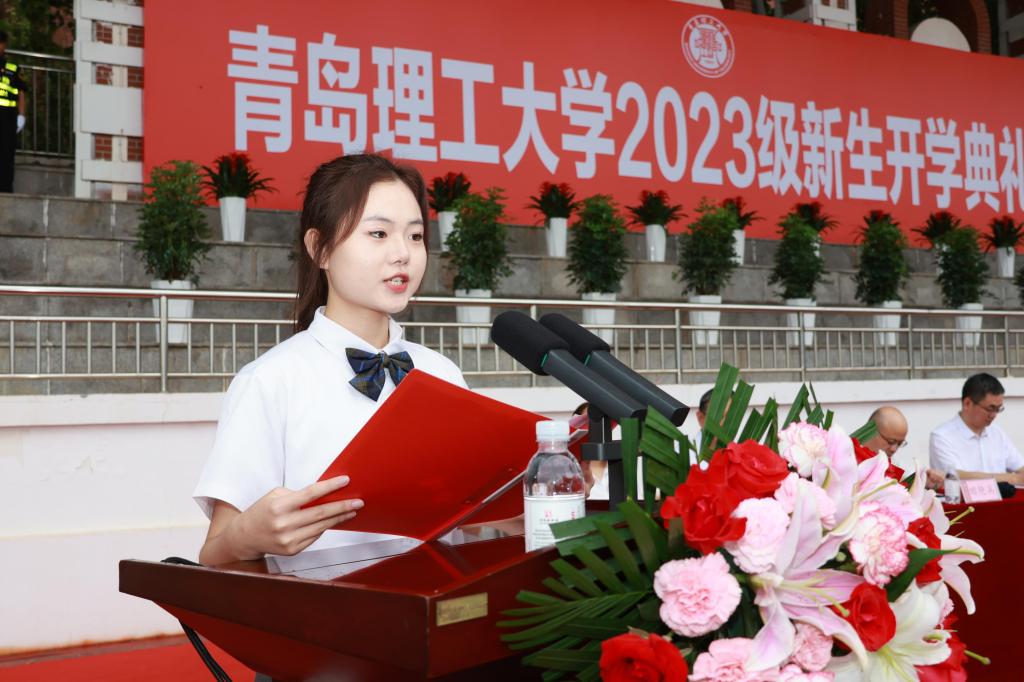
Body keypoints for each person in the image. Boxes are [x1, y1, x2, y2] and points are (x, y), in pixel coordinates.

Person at [194, 154, 467, 565]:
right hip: (322, 605)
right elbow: (213, 557)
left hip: (446, 600)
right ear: (319, 248)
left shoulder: (443, 373)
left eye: (415, 236)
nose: (403, 254)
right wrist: (248, 536)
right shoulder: (271, 380)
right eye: (378, 233)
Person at [929, 373, 1024, 484]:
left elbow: (1020, 467)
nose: (994, 415)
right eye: (990, 408)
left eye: (998, 409)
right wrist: (1013, 478)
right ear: (967, 403)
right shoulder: (942, 436)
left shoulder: (997, 433)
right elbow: (954, 475)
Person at [861, 405, 943, 489]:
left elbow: (908, 476)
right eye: (890, 442)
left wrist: (924, 480)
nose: (894, 449)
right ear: (871, 430)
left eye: (900, 443)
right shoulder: (852, 457)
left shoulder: (892, 462)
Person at [0, 31, 27, 193]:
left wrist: (21, 115)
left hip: (8, 116)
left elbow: (21, 92)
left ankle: (5, 187)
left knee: (7, 151)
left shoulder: (13, 68)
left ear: (4, 45)